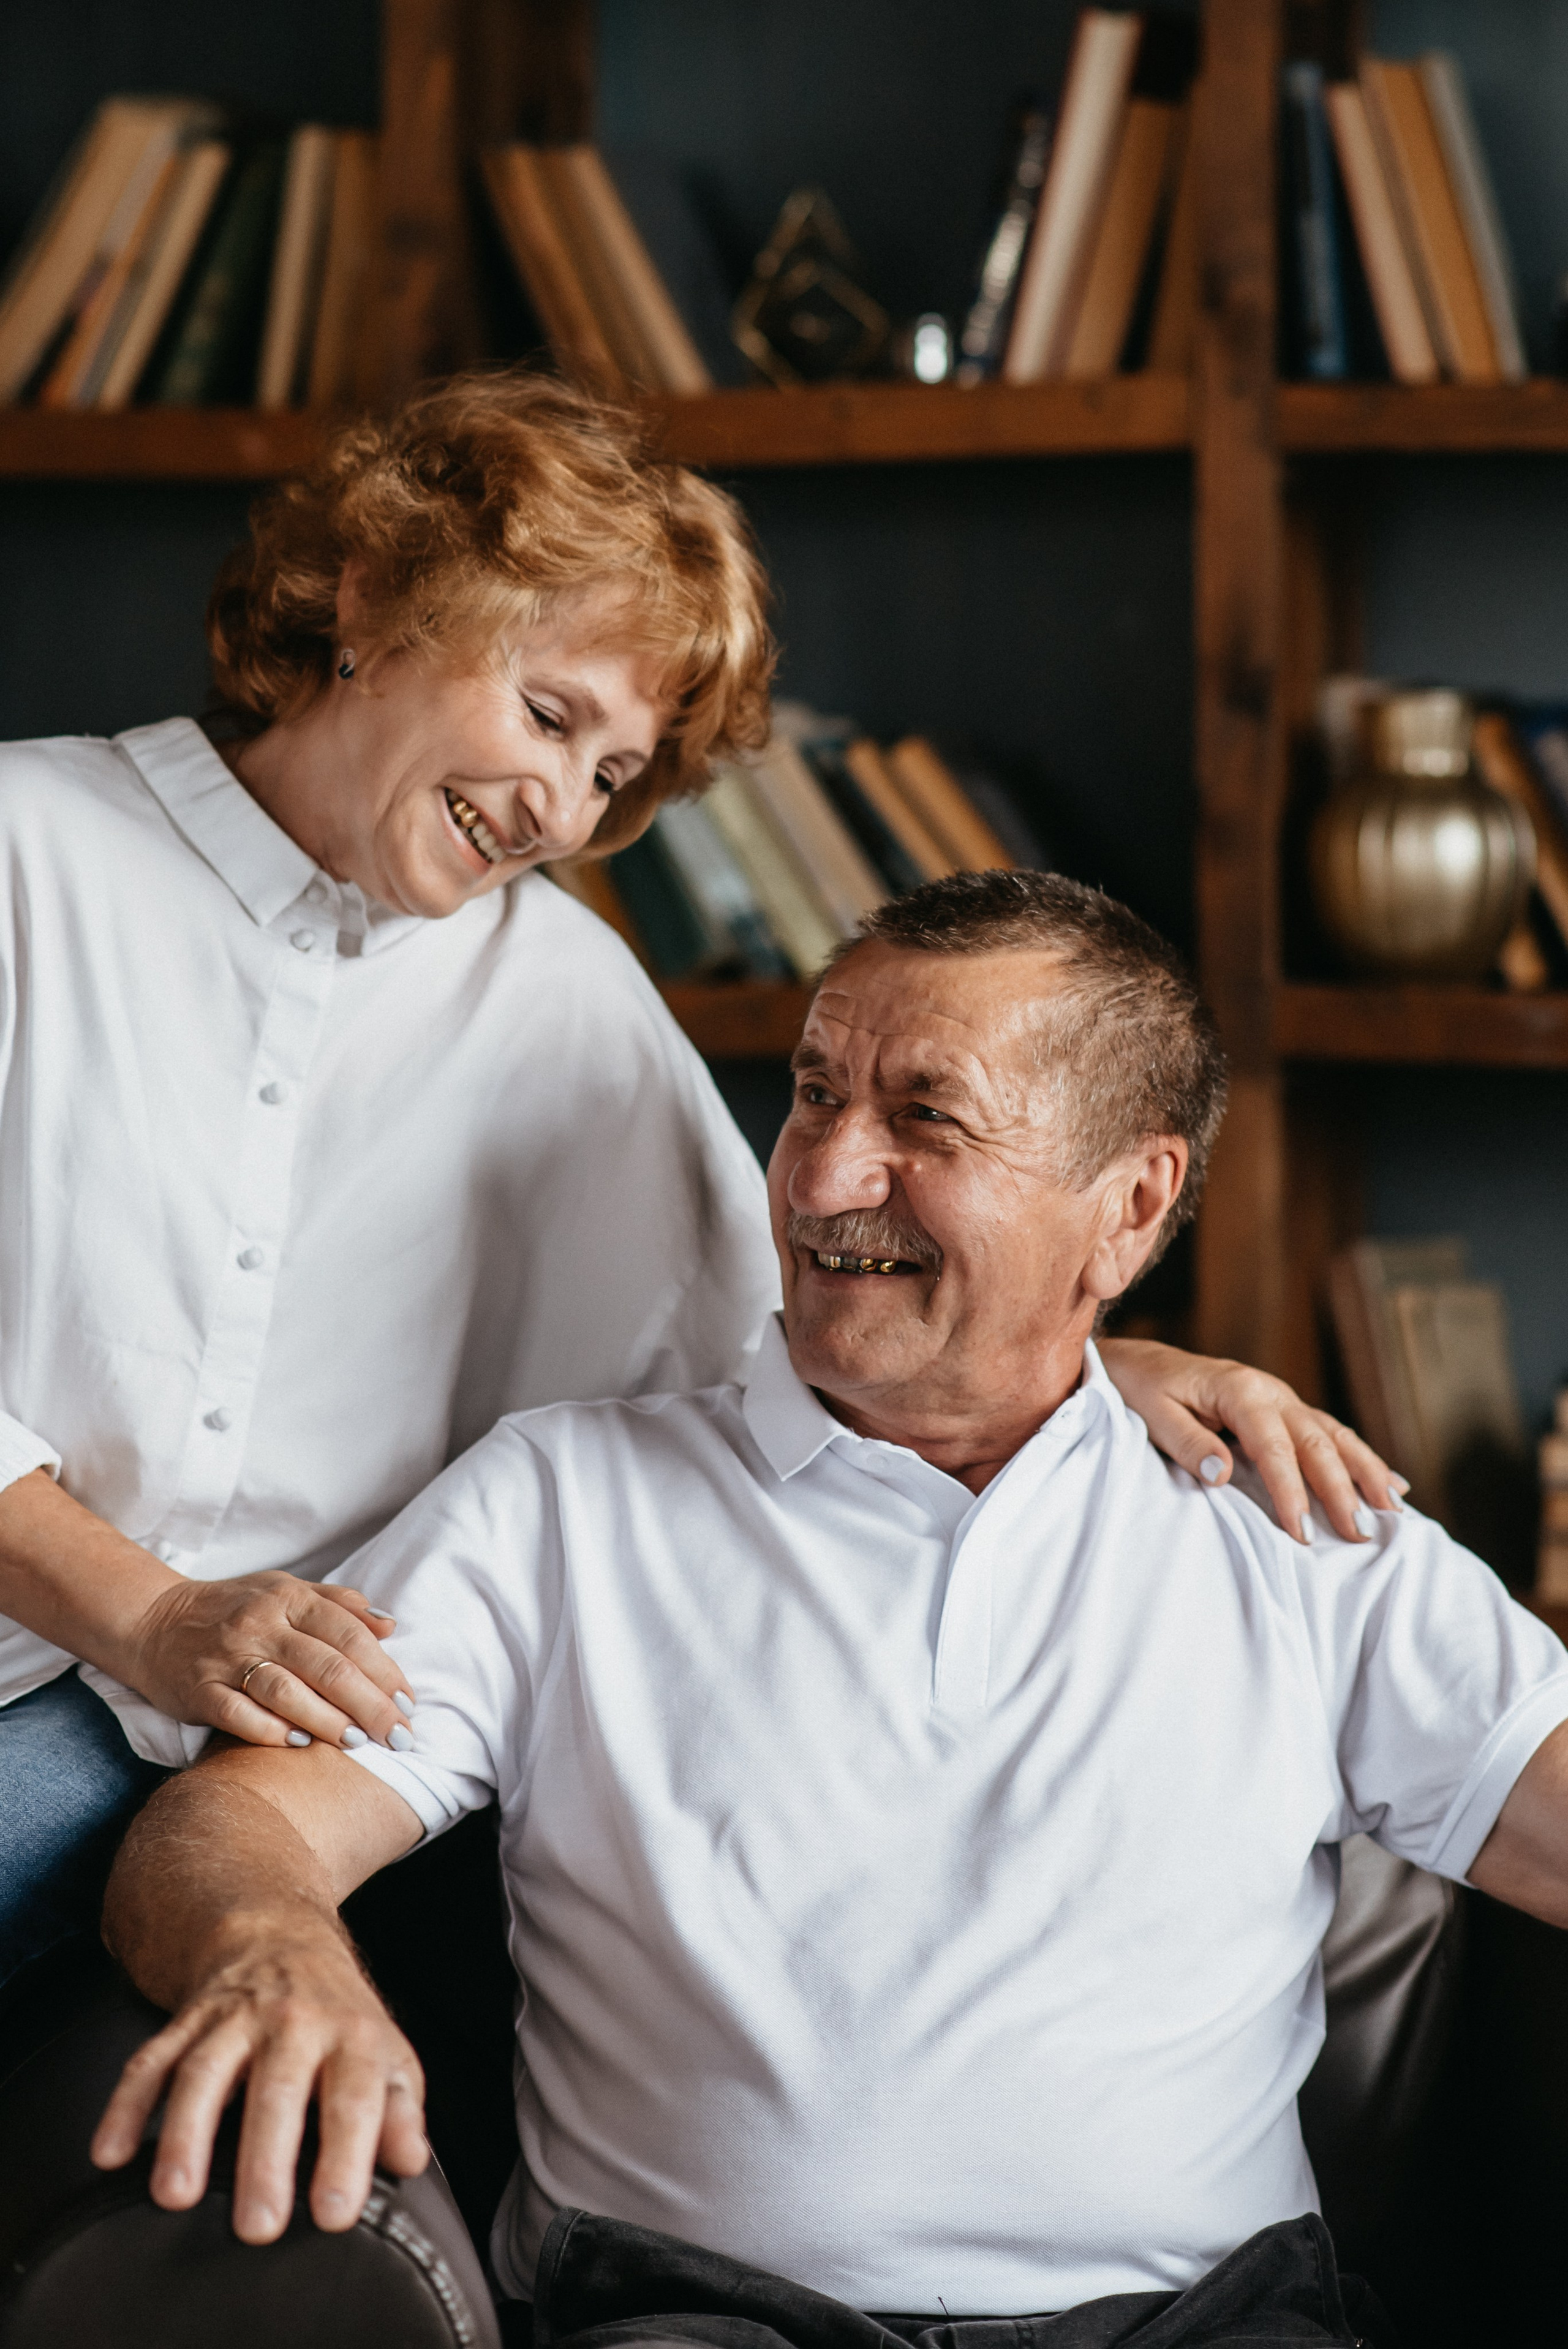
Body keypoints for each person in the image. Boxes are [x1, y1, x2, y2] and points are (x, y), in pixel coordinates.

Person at [0, 370, 1393, 2001]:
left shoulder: (568, 994)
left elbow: (776, 1349)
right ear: (370, 602)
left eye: (614, 770)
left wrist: (1089, 1369)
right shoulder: (30, 845)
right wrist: (158, 1621)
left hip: (351, 1744)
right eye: (548, 714)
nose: (562, 810)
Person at [91, 871, 1568, 2348]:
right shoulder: (558, 1504)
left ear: (1128, 1206)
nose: (818, 1174)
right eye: (812, 1094)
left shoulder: (1299, 1529)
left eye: (926, 1117)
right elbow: (231, 1825)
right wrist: (265, 1953)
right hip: (699, 2325)